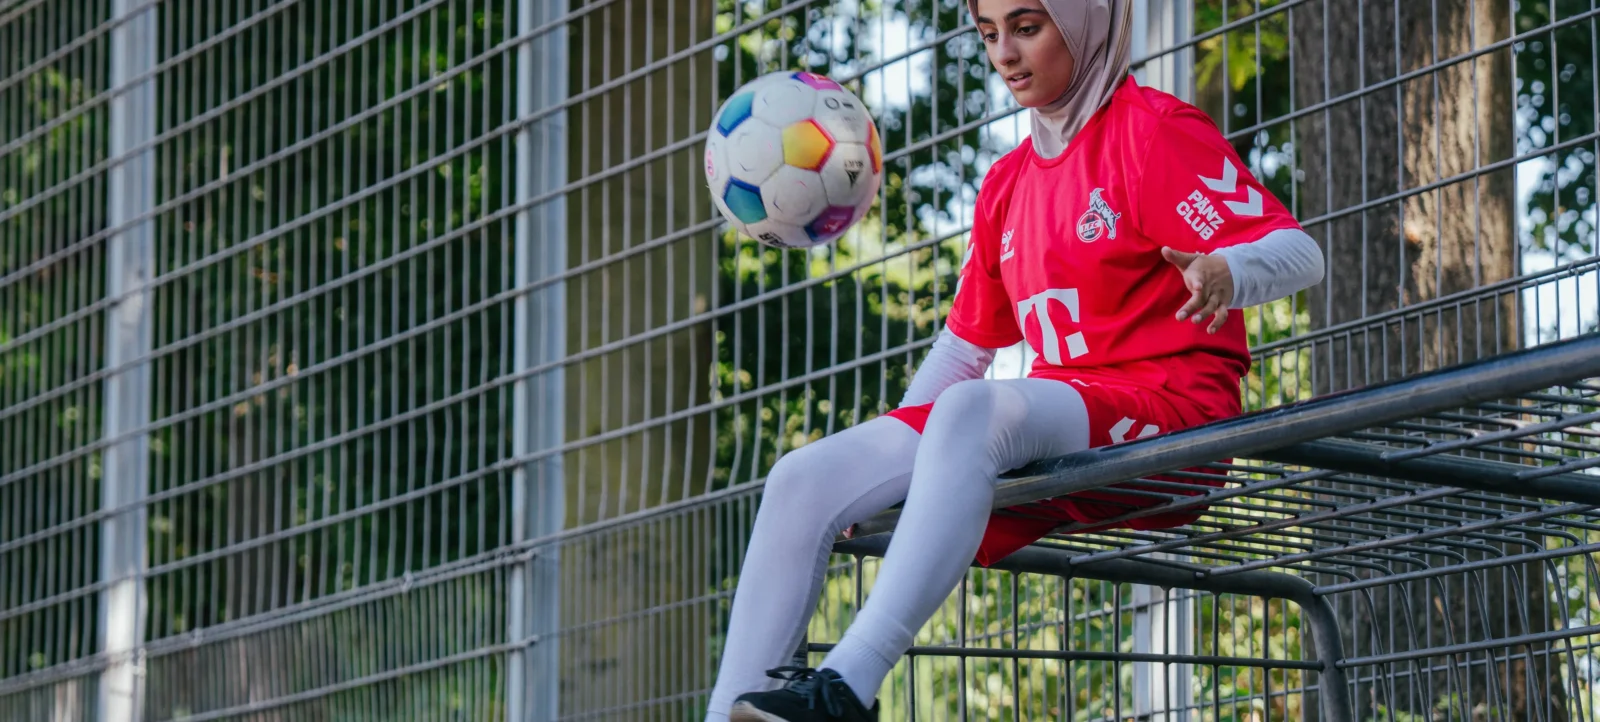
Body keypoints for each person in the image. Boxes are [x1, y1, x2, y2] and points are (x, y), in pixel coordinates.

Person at [708, 1, 1325, 720]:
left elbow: (1301, 254)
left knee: (978, 409)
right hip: (1064, 424)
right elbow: (965, 347)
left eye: (1027, 27)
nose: (1005, 53)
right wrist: (886, 469)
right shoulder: (1007, 184)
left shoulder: (1152, 131)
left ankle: (845, 688)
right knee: (802, 477)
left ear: (1087, 21)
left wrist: (1227, 270)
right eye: (989, 33)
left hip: (1174, 428)